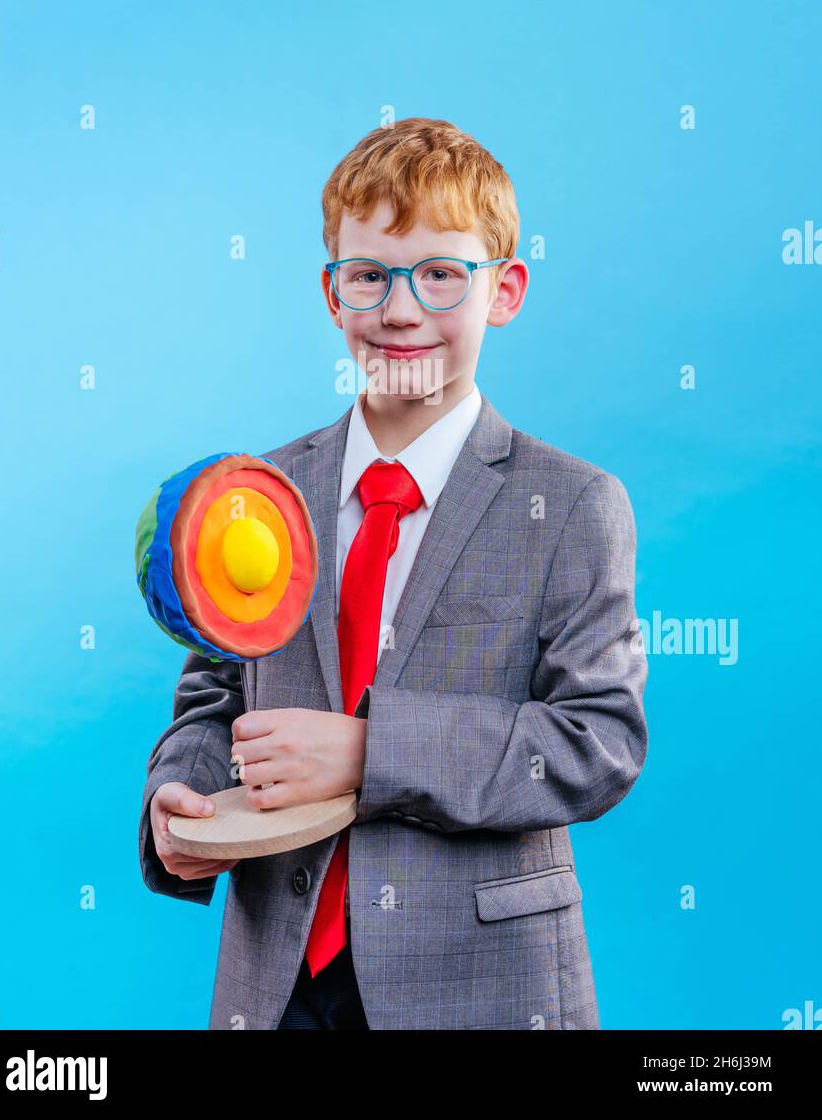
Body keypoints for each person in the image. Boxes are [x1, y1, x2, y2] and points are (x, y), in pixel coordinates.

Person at [138, 116, 649, 1030]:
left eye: (442, 274)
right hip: (279, 983)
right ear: (332, 295)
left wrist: (373, 754)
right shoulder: (262, 496)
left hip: (484, 985)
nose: (401, 310)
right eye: (369, 273)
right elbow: (217, 694)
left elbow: (596, 742)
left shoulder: (572, 505)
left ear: (506, 290)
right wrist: (181, 792)